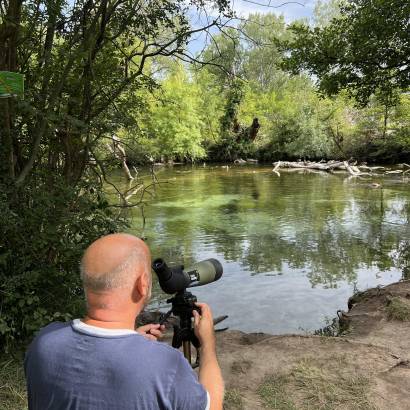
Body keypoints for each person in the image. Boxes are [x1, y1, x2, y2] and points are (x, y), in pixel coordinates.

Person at [24, 233, 224, 410]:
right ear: (143, 284)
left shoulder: (43, 343)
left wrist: (130, 342)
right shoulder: (165, 365)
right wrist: (207, 344)